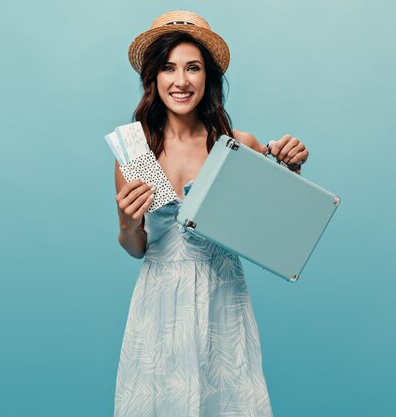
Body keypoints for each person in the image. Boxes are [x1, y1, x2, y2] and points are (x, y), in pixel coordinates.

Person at [113, 11, 309, 417]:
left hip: (224, 298)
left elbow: (277, 226)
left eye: (193, 68)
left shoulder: (235, 145)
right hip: (160, 303)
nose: (180, 81)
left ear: (209, 78)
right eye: (168, 68)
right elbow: (136, 247)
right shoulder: (136, 150)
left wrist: (290, 169)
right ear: (153, 78)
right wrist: (129, 224)